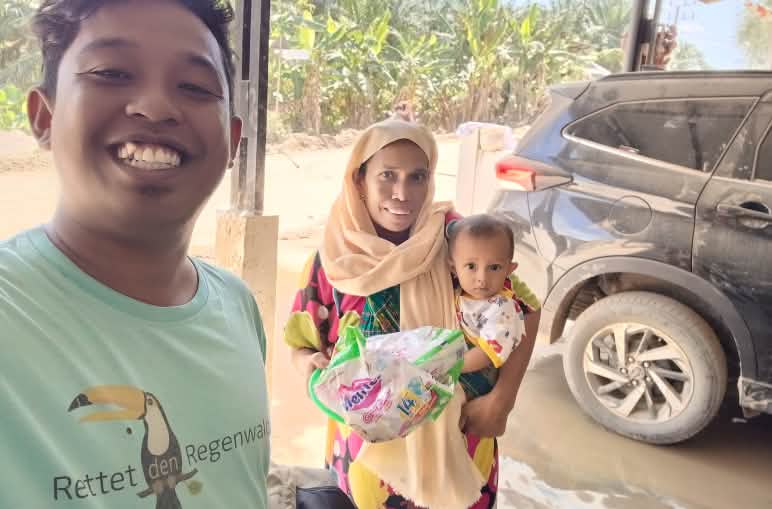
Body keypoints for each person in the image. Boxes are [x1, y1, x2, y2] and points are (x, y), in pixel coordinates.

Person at [0, 1, 270, 507]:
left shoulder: (238, 306)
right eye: (111, 73)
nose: (155, 106)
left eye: (193, 86)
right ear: (44, 118)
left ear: (233, 140)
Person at [284, 119, 541, 509]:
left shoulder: (460, 242)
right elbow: (301, 345)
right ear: (360, 180)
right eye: (387, 175)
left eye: (417, 177)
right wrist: (311, 365)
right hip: (368, 452)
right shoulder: (334, 262)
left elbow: (526, 311)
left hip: (459, 440)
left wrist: (501, 401)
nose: (402, 193)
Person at [448, 214, 529, 401]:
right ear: (453, 268)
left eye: (494, 268)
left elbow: (486, 354)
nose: (482, 278)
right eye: (471, 266)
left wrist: (447, 367)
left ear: (509, 269)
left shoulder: (503, 309)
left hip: (478, 378)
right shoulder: (457, 291)